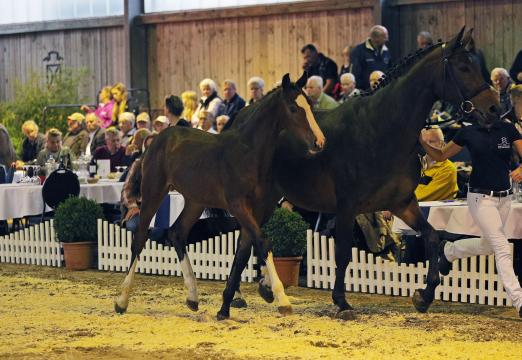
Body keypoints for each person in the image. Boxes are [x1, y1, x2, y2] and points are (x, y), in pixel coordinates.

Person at [419, 117, 522, 317]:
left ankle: (450, 251)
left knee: (490, 244)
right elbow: (441, 156)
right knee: (501, 247)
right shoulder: (468, 132)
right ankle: (519, 301)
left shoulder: (508, 128)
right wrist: (423, 142)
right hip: (480, 198)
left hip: (505, 198)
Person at [415, 127, 458, 201]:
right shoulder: (416, 164)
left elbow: (422, 197)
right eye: (423, 142)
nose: (425, 146)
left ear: (442, 144)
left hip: (431, 211)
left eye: (430, 141)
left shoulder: (448, 169)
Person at [351, 25, 391, 91]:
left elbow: (389, 70)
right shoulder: (359, 51)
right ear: (376, 38)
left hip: (383, 91)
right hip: (365, 92)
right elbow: (355, 73)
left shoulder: (386, 50)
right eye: (384, 38)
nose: (387, 40)